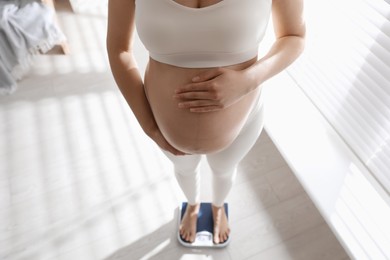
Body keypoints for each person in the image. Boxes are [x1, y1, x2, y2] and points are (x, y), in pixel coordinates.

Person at [107, 0, 305, 245]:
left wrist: (247, 80)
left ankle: (218, 207)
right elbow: (119, 51)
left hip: (244, 119)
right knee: (184, 169)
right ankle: (192, 206)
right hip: (162, 126)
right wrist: (149, 127)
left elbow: (294, 36)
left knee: (224, 170)